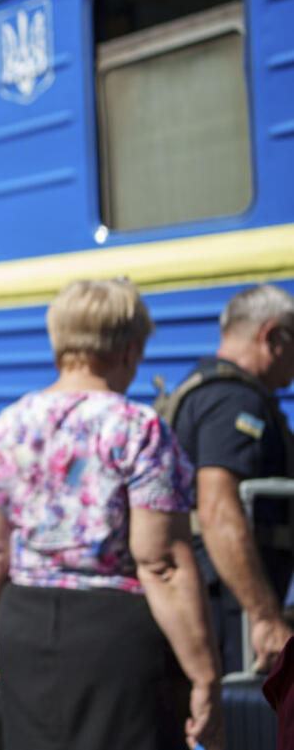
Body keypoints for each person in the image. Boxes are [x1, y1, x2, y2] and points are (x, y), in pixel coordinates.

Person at [0, 278, 223, 750]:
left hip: (23, 621)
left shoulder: (8, 425)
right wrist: (204, 674)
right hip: (113, 633)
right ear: (129, 349)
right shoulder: (138, 427)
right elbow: (162, 563)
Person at [159, 284, 294, 674]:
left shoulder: (203, 387)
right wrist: (265, 617)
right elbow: (218, 510)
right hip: (232, 601)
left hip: (218, 590)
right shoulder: (235, 401)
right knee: (242, 723)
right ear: (272, 337)